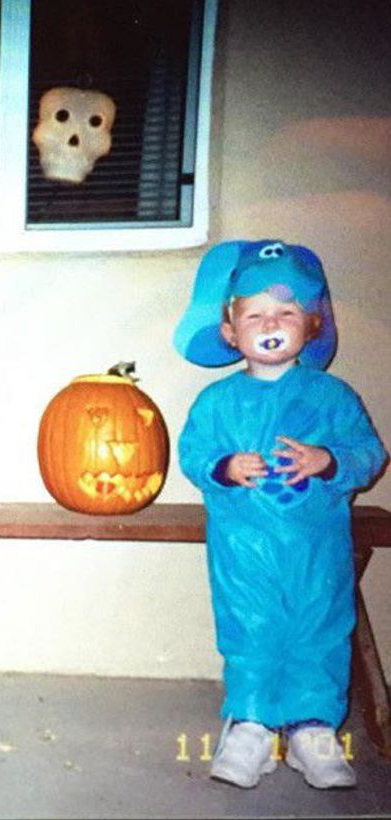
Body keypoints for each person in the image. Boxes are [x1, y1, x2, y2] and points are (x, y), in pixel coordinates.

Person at [173, 239, 387, 790]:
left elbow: (369, 452)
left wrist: (328, 460)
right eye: (255, 315)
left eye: (286, 313)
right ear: (230, 331)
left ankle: (314, 727)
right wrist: (224, 467)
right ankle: (251, 724)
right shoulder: (216, 402)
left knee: (320, 627)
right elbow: (192, 454)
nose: (271, 324)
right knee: (251, 628)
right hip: (243, 547)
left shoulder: (333, 396)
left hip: (317, 547)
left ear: (312, 325)